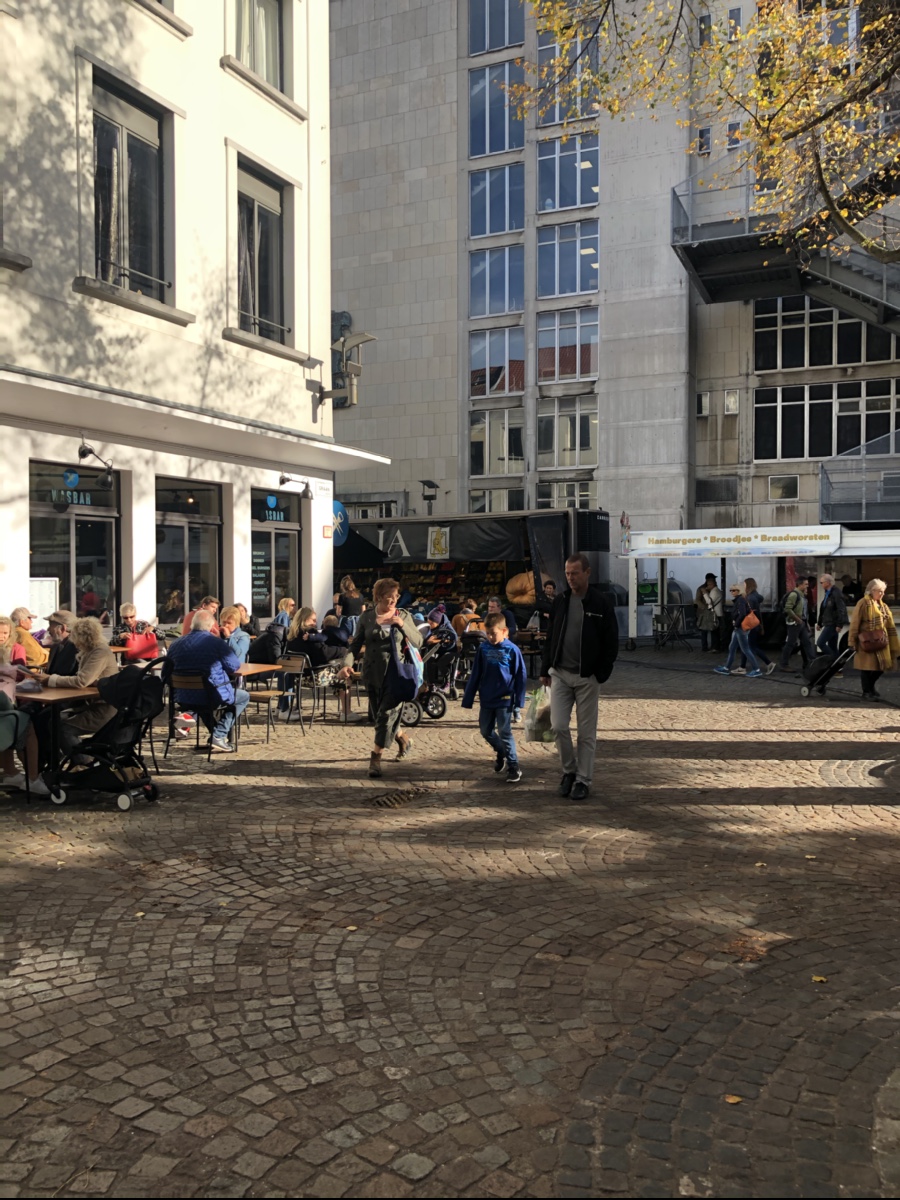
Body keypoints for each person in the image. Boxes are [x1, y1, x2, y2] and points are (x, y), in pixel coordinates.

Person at [539, 553, 619, 802]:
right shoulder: (561, 600)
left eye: (574, 573)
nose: (570, 578)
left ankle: (583, 780)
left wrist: (600, 673)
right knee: (558, 726)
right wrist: (545, 668)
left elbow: (611, 641)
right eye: (567, 573)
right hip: (561, 674)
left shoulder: (601, 603)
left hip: (587, 677)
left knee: (586, 733)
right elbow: (551, 636)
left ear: (587, 572)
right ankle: (569, 771)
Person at [337, 577, 423, 778]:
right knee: (379, 717)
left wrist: (402, 624)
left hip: (396, 674)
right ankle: (403, 739)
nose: (393, 600)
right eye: (389, 597)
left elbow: (419, 641)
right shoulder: (366, 617)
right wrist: (347, 665)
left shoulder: (403, 615)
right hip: (372, 673)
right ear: (378, 597)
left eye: (396, 596)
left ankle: (375, 759)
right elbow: (355, 645)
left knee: (385, 716)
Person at [163, 610, 249, 753]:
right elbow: (234, 666)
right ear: (211, 626)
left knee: (201, 699)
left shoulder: (175, 644)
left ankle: (216, 736)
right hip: (211, 695)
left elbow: (165, 674)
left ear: (192, 624)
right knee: (243, 696)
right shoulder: (216, 643)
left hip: (182, 697)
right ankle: (218, 734)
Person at [33, 617, 119, 752]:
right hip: (92, 703)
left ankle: (85, 761)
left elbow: (81, 681)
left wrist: (50, 679)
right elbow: (85, 680)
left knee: (61, 728)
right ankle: (55, 760)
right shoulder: (89, 651)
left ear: (82, 637)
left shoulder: (99, 651)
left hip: (104, 709)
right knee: (50, 720)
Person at [461, 612, 527, 784]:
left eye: (493, 633)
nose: (490, 637)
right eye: (487, 633)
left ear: (504, 631)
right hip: (487, 697)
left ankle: (513, 766)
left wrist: (519, 700)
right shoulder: (483, 649)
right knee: (485, 730)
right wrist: (468, 698)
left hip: (505, 698)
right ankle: (501, 750)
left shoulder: (512, 650)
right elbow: (476, 674)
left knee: (505, 731)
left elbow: (520, 675)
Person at [283, 607, 357, 720]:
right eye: (313, 620)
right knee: (346, 674)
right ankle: (346, 713)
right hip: (314, 676)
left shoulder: (292, 635)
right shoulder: (309, 633)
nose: (315, 623)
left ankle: (343, 707)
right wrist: (342, 650)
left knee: (338, 669)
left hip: (298, 677)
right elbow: (324, 654)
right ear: (305, 619)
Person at [848, 578, 899, 702]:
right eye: (880, 591)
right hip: (867, 641)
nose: (882, 594)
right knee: (866, 668)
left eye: (883, 591)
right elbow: (855, 623)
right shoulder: (863, 603)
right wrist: (852, 641)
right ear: (872, 590)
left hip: (880, 641)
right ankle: (867, 692)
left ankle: (870, 687)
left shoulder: (883, 605)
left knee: (882, 667)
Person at [715, 584, 764, 678]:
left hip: (740, 628)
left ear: (739, 591)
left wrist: (736, 624)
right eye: (730, 590)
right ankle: (726, 668)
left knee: (745, 649)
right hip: (739, 628)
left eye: (734, 590)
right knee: (732, 647)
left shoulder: (740, 600)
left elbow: (742, 614)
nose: (731, 592)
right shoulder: (741, 599)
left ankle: (756, 669)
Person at [738, 577, 775, 675]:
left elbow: (748, 612)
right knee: (746, 646)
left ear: (748, 585)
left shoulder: (750, 598)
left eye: (744, 584)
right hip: (755, 624)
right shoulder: (755, 597)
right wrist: (761, 625)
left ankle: (769, 663)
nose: (743, 586)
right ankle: (742, 666)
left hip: (750, 625)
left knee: (751, 647)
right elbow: (758, 613)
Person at [778, 578, 815, 673]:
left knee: (806, 643)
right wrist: (797, 619)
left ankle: (813, 662)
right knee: (790, 643)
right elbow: (788, 609)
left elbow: (804, 611)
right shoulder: (794, 595)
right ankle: (784, 664)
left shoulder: (802, 596)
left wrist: (805, 623)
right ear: (800, 584)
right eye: (805, 584)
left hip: (801, 623)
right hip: (794, 623)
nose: (807, 586)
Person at [422, 606, 458, 687]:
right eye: (428, 622)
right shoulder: (431, 627)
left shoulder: (447, 626)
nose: (429, 625)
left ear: (438, 623)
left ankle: (448, 681)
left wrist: (437, 640)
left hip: (449, 649)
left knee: (442, 662)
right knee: (428, 660)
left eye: (432, 623)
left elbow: (454, 638)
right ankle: (430, 683)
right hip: (437, 649)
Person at [815, 573, 848, 659]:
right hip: (829, 622)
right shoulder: (828, 593)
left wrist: (839, 624)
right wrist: (820, 623)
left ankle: (833, 659)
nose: (821, 584)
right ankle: (837, 663)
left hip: (832, 623)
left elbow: (841, 609)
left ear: (828, 582)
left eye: (822, 582)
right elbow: (824, 608)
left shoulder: (836, 593)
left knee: (820, 642)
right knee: (832, 646)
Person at [43, 610, 79, 677]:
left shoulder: (77, 647)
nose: (48, 629)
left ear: (62, 628)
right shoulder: (56, 646)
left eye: (50, 625)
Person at [695, 574, 723, 653]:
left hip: (710, 611)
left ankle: (713, 647)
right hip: (704, 612)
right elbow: (698, 600)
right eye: (713, 579)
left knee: (712, 629)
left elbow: (710, 601)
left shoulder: (713, 590)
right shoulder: (702, 588)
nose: (715, 581)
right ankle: (705, 647)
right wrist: (705, 608)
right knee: (705, 630)